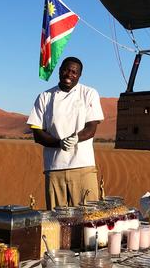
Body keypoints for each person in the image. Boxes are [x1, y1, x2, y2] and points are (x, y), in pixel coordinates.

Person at [27, 57, 104, 209]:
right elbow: (37, 133)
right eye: (66, 70)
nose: (69, 74)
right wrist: (59, 143)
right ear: (59, 71)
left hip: (83, 166)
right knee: (57, 220)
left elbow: (91, 128)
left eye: (74, 72)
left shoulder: (89, 93)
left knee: (89, 218)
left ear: (79, 75)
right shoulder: (45, 97)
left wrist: (76, 138)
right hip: (55, 168)